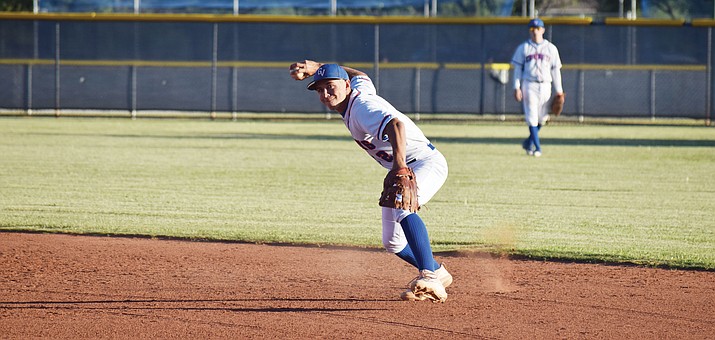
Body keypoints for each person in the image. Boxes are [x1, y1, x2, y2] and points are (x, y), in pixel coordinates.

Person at [289, 60, 452, 303]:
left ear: (345, 85)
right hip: (408, 164)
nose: (325, 93)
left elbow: (396, 125)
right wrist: (319, 66)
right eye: (319, 89)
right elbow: (361, 75)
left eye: (330, 86)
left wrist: (399, 166)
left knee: (402, 209)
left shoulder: (362, 107)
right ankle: (438, 272)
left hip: (424, 163)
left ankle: (429, 276)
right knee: (393, 242)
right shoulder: (358, 91)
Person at [511, 18, 564, 157]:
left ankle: (528, 143)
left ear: (543, 30)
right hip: (529, 84)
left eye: (537, 28)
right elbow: (517, 69)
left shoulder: (551, 48)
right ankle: (538, 148)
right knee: (532, 116)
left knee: (543, 118)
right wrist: (516, 87)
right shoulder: (523, 48)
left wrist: (559, 90)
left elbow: (556, 71)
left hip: (546, 85)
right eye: (532, 29)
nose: (535, 31)